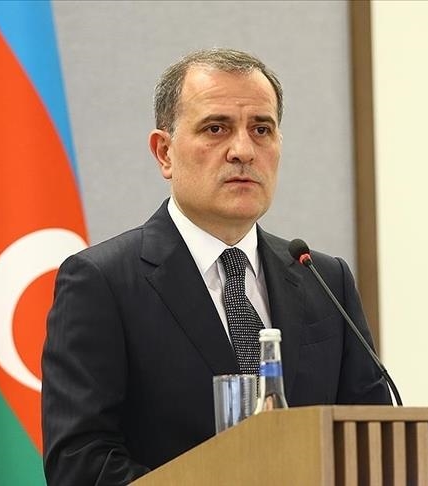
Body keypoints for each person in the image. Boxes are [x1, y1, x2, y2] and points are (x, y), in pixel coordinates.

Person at [41, 48, 390, 485]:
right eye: (216, 128)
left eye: (261, 129)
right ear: (164, 153)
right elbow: (80, 463)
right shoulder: (102, 282)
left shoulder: (324, 279)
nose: (243, 150)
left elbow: (372, 444)